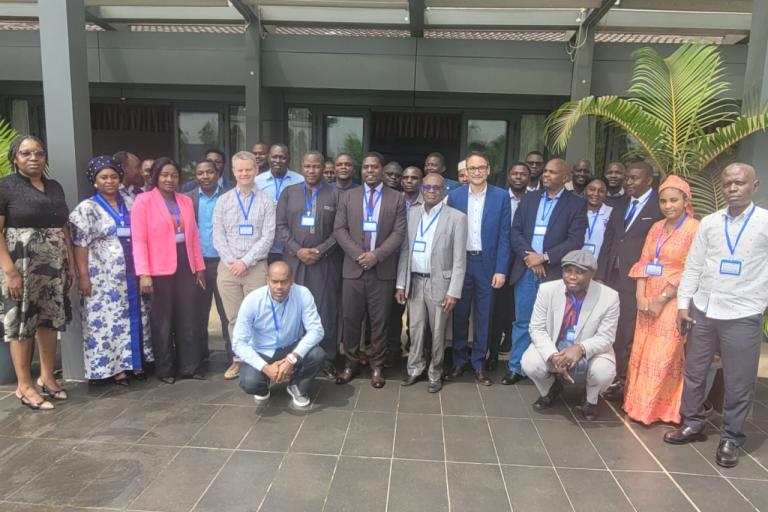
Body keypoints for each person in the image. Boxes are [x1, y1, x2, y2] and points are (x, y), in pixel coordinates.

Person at [664, 163, 768, 469]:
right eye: (727, 184)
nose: (732, 188)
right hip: (704, 309)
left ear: (755, 185)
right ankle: (693, 423)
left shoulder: (764, 222)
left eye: (739, 183)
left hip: (743, 311)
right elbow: (694, 265)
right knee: (696, 371)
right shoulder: (709, 222)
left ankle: (731, 437)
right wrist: (684, 304)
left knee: (739, 380)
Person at [0, 135, 74, 410]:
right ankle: (24, 385)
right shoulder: (5, 187)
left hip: (54, 266)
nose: (33, 158)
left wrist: (72, 265)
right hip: (21, 268)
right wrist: (9, 272)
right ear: (15, 158)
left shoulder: (54, 187)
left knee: (49, 321)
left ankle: (46, 378)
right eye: (26, 153)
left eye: (39, 153)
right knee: (21, 324)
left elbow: (64, 227)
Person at [70, 156, 153, 386]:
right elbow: (80, 244)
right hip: (103, 277)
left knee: (137, 317)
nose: (110, 181)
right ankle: (116, 369)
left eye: (114, 177)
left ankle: (136, 363)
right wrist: (83, 276)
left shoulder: (131, 201)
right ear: (95, 181)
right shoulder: (87, 208)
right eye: (104, 178)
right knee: (108, 322)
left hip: (133, 272)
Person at [623, 176, 698, 426]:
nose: (668, 206)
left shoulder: (695, 228)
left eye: (674, 200)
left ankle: (662, 409)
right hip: (647, 299)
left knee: (663, 354)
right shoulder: (656, 227)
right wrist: (640, 296)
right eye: (664, 201)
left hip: (673, 299)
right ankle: (637, 405)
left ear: (686, 201)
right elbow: (644, 262)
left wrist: (661, 298)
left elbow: (691, 269)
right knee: (642, 351)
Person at [506, 159, 587, 385]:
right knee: (522, 320)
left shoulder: (575, 204)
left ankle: (546, 369)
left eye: (552, 172)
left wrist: (545, 257)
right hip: (526, 270)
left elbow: (575, 239)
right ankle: (516, 366)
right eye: (546, 171)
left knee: (550, 323)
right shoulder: (530, 198)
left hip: (552, 273)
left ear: (565, 177)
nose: (546, 175)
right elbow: (515, 231)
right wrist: (531, 257)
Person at [334, 152, 407, 388]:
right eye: (365, 167)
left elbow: (398, 233)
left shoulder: (397, 198)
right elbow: (339, 230)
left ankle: (377, 366)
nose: (369, 171)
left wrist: (377, 255)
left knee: (380, 322)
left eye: (374, 167)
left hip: (382, 271)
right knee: (351, 320)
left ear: (382, 170)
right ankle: (351, 364)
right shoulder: (348, 197)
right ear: (360, 170)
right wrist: (358, 255)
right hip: (353, 270)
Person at [131, 157, 206, 383]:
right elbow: (139, 240)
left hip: (185, 263)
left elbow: (193, 236)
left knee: (187, 317)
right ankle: (165, 370)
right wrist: (144, 273)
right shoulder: (143, 201)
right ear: (155, 177)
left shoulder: (185, 201)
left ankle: (188, 367)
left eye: (174, 175)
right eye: (164, 175)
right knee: (162, 320)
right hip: (158, 267)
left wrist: (199, 267)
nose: (169, 179)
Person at [521, 250, 619, 421]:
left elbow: (606, 337)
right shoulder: (547, 290)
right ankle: (550, 389)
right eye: (568, 271)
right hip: (555, 346)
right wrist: (553, 355)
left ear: (592, 274)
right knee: (529, 363)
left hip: (589, 350)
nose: (572, 276)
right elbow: (536, 328)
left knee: (604, 371)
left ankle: (590, 399)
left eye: (580, 272)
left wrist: (580, 348)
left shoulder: (609, 297)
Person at [597, 161, 663, 401]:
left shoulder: (659, 208)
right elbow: (609, 241)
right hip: (612, 276)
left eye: (634, 178)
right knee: (612, 325)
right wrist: (601, 275)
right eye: (627, 178)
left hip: (638, 280)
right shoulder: (620, 204)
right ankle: (613, 374)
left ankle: (623, 379)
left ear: (648, 180)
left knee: (628, 329)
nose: (628, 182)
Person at [396, 174, 467, 392]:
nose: (431, 191)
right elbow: (405, 250)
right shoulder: (412, 214)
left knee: (438, 332)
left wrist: (454, 291)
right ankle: (414, 369)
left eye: (436, 187)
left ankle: (435, 373)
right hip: (415, 280)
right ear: (421, 189)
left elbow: (459, 260)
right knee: (415, 329)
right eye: (427, 187)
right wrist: (401, 283)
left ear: (444, 190)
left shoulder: (457, 218)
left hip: (441, 284)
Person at [446, 151, 511, 385]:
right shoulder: (454, 196)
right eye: (472, 168)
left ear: (488, 170)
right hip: (461, 263)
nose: (476, 172)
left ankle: (478, 363)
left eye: (480, 167)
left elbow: (505, 236)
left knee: (484, 316)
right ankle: (459, 361)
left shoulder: (501, 197)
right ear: (465, 172)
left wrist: (501, 269)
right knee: (460, 314)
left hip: (488, 265)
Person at [277, 151, 341, 379]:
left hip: (325, 263)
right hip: (294, 262)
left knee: (325, 309)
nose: (312, 171)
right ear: (301, 167)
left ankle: (326, 359)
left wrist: (320, 251)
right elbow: (281, 226)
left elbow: (340, 230)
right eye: (307, 166)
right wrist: (298, 250)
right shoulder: (289, 193)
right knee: (294, 310)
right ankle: (294, 357)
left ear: (323, 168)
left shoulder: (335, 194)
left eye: (316, 167)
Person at [213, 151, 275, 380]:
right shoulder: (224, 200)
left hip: (256, 268)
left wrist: (246, 261)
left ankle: (259, 361)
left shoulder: (267, 202)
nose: (244, 173)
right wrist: (233, 262)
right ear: (233, 172)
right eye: (240, 170)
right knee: (234, 318)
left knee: (258, 316)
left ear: (256, 171)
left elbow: (268, 237)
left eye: (248, 169)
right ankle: (238, 359)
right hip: (228, 269)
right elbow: (217, 236)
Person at [233, 261, 326, 408]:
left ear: (292, 281)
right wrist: (265, 367)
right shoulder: (252, 300)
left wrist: (292, 358)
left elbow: (317, 330)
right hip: (262, 350)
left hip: (291, 347)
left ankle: (296, 386)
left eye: (284, 282)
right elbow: (238, 343)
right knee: (249, 383)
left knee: (317, 354)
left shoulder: (302, 293)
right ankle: (263, 385)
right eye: (274, 282)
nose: (279, 287)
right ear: (267, 280)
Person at [185, 160, 233, 377]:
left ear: (218, 173)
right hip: (198, 265)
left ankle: (235, 359)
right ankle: (197, 360)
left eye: (209, 172)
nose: (205, 176)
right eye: (200, 173)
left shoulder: (230, 196)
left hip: (225, 263)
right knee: (198, 315)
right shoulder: (188, 199)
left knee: (228, 315)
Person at [489, 162, 529, 370]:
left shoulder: (535, 199)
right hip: (503, 259)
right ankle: (493, 353)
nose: (518, 177)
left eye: (523, 174)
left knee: (519, 310)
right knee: (499, 308)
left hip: (526, 262)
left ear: (529, 178)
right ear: (508, 176)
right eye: (514, 173)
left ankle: (518, 353)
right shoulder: (500, 198)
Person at [255, 144, 304, 263]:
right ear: (268, 158)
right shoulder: (257, 181)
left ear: (289, 159)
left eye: (282, 157)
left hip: (292, 243)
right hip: (265, 245)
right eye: (274, 157)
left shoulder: (300, 180)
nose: (278, 161)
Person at [582, 177, 613, 257]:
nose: (596, 194)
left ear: (606, 194)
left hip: (601, 262)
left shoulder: (611, 213)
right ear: (585, 191)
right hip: (576, 262)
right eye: (592, 189)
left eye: (601, 191)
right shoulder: (576, 211)